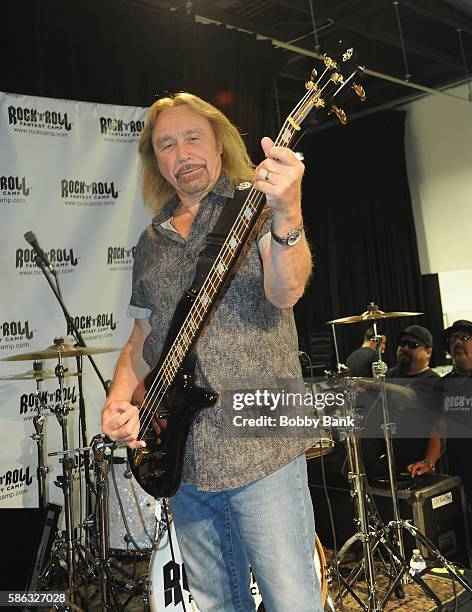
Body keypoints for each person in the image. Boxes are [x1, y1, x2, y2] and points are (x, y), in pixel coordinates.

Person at [101, 93, 323, 611]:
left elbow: (287, 290)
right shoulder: (150, 241)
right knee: (216, 603)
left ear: (221, 143)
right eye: (167, 145)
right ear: (156, 162)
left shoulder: (254, 203)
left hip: (263, 438)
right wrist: (118, 401)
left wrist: (287, 209)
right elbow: (143, 340)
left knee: (293, 600)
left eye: (193, 138)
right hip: (184, 454)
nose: (183, 154)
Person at [386, 325, 441, 477]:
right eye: (402, 344)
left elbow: (408, 396)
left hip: (417, 464)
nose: (404, 348)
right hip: (389, 460)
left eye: (412, 345)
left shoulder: (433, 382)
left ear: (428, 352)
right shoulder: (391, 374)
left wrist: (374, 385)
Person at [440, 320, 472, 523]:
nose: (458, 342)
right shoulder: (443, 385)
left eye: (465, 337)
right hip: (457, 471)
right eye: (453, 339)